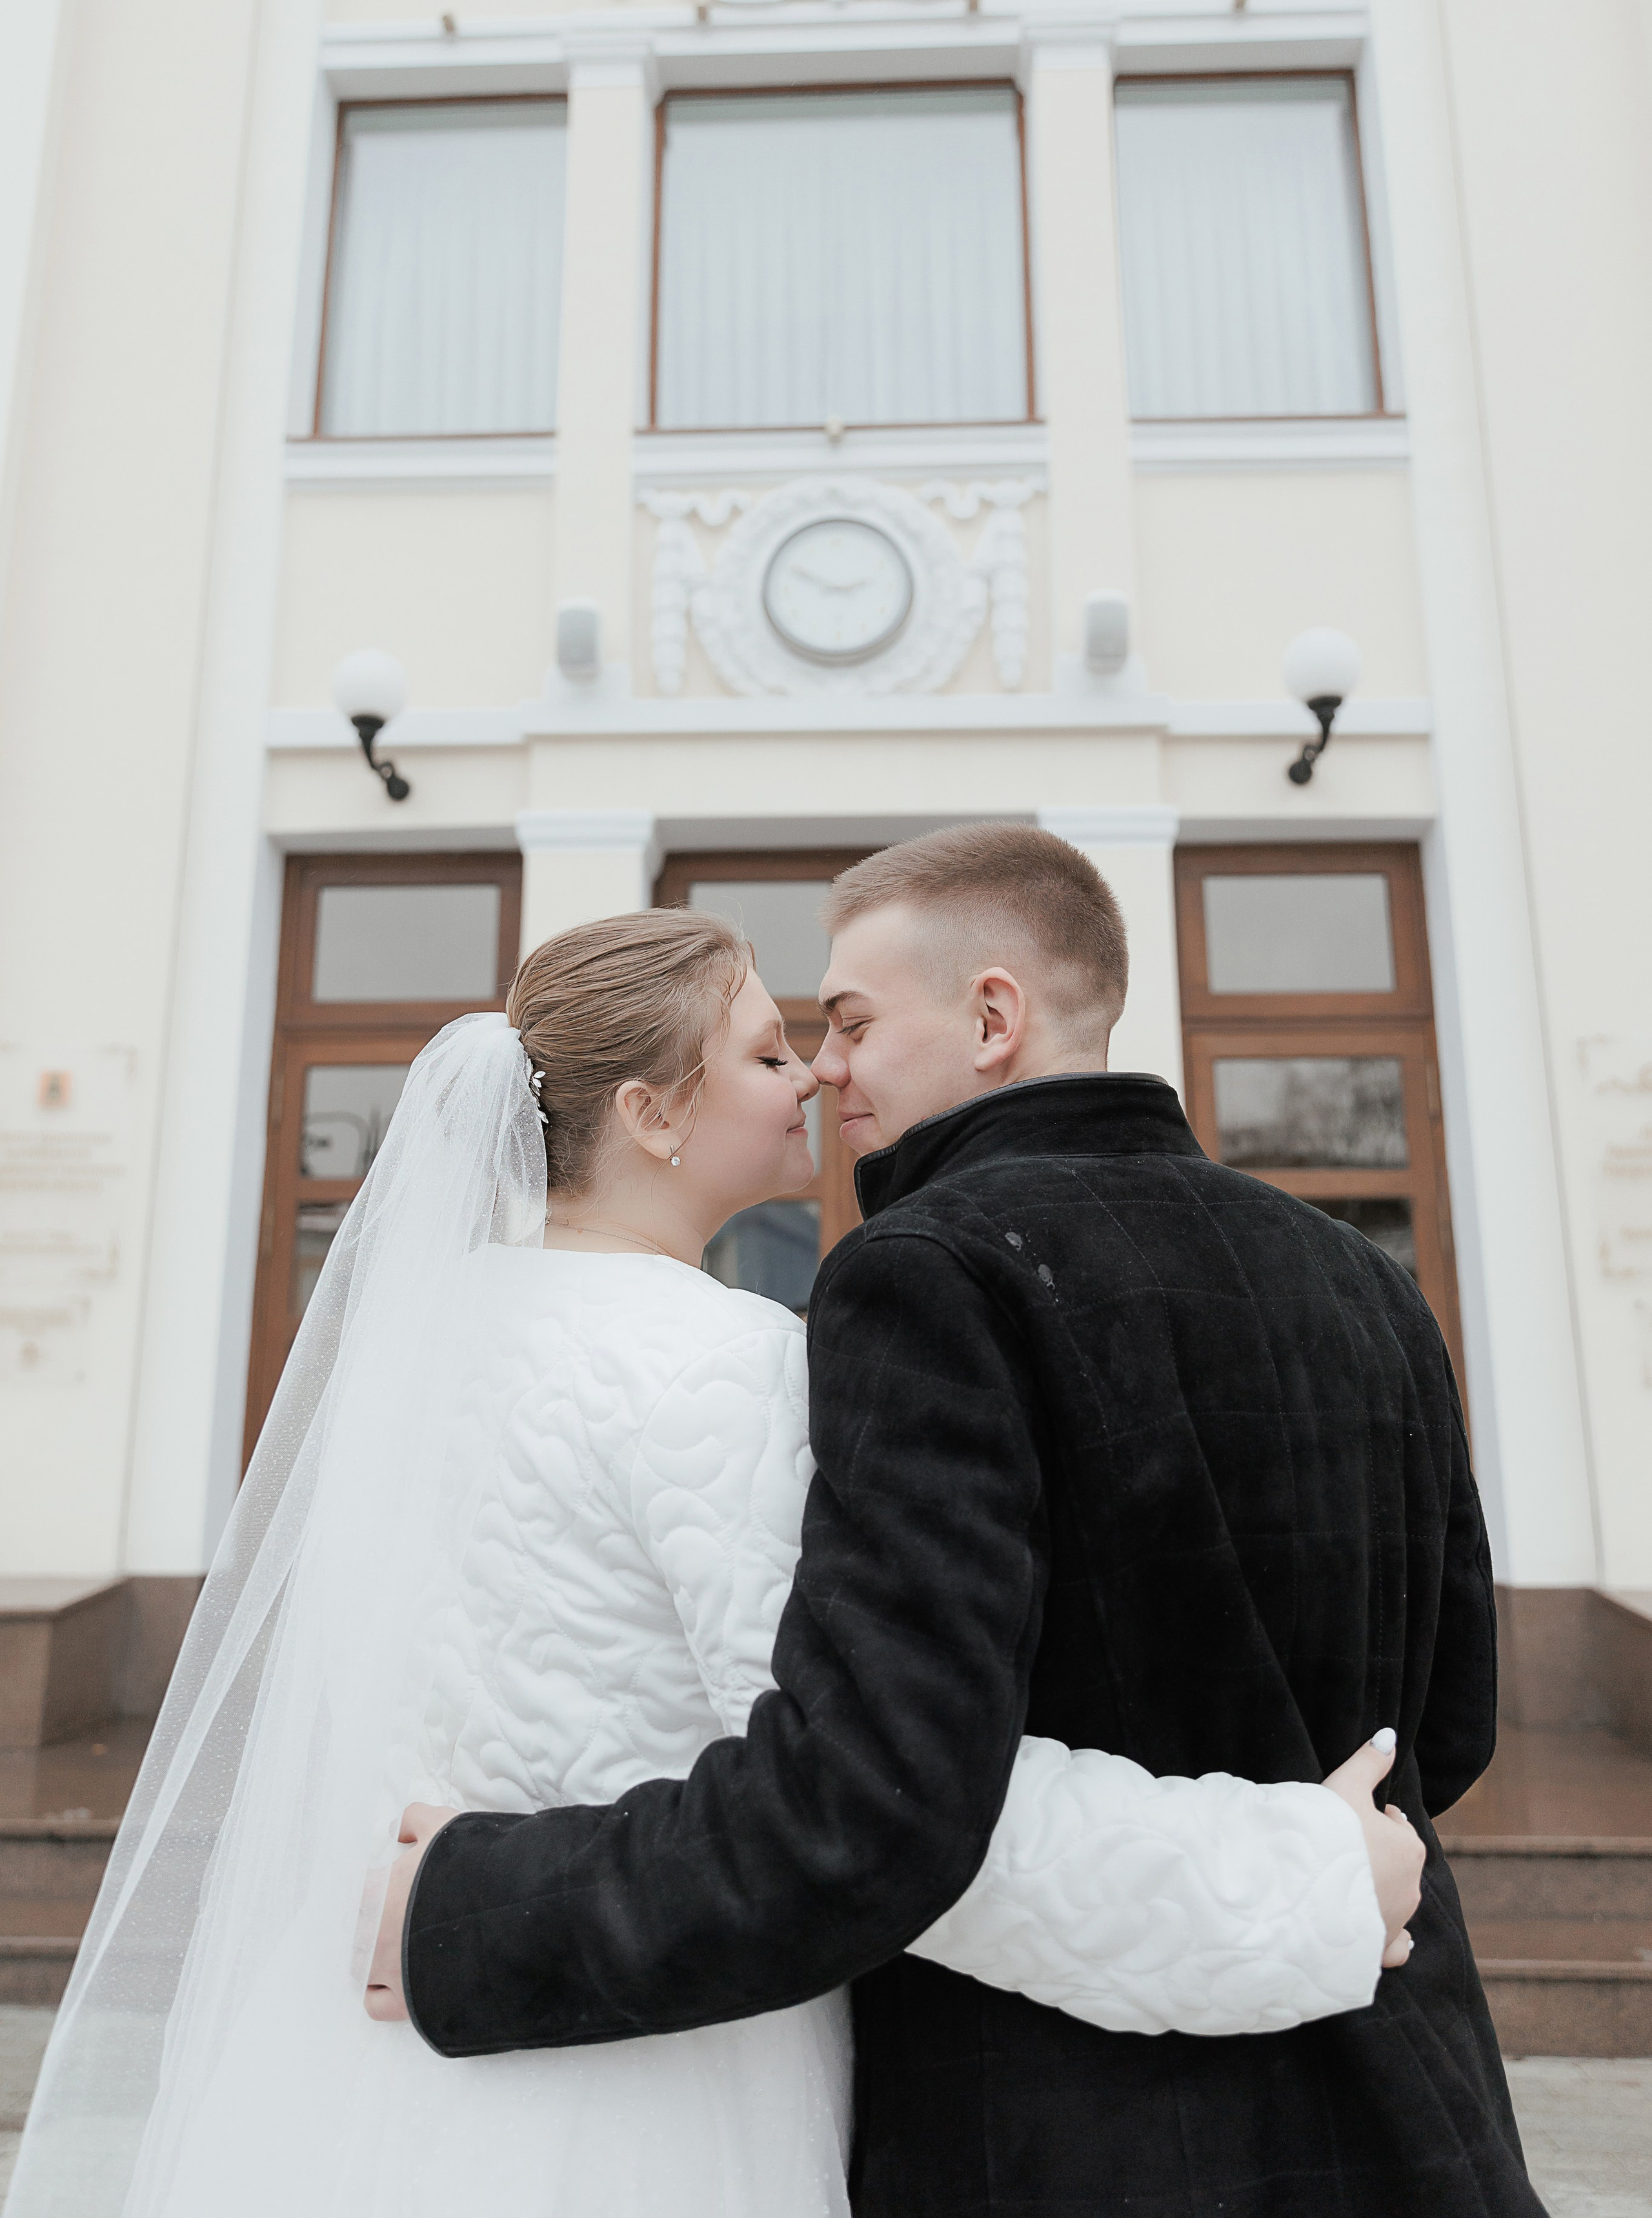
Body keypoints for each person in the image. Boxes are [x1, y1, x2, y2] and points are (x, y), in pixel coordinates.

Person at [12, 902, 1415, 2218]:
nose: (810, 1075)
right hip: (637, 2072)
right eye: (763, 1051)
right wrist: (1295, 1882)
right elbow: (868, 1808)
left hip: (368, 2047)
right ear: (651, 1114)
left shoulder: (423, 1351)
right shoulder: (722, 1367)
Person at [378, 826, 1542, 2218]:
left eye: (851, 1022)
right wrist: (1320, 1843)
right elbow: (1450, 1723)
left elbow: (876, 1797)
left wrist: (472, 1911)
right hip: (1410, 2094)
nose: (827, 1067)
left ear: (992, 1016)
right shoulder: (1368, 1280)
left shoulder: (924, 1275)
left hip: (1065, 2127)